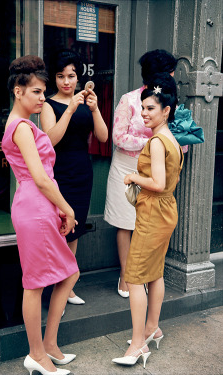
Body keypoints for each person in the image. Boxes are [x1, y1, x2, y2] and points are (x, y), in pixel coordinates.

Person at [2, 55, 80, 375]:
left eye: (42, 91)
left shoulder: (26, 125)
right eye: (35, 91)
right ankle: (37, 353)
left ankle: (48, 345)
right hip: (35, 207)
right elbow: (40, 178)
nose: (41, 97)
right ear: (18, 91)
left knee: (68, 273)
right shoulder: (20, 127)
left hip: (39, 206)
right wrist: (67, 208)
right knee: (35, 284)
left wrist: (57, 208)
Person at [112, 73, 184, 368]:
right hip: (166, 210)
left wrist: (132, 176)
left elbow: (156, 181)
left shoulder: (156, 142)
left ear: (166, 110)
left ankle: (139, 344)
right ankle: (152, 328)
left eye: (150, 108)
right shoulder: (172, 140)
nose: (144, 113)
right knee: (155, 272)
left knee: (135, 277)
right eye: (142, 108)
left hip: (154, 210)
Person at [104, 49, 184, 298]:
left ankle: (145, 274)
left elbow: (180, 141)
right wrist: (151, 142)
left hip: (155, 171)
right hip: (127, 168)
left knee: (147, 224)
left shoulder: (170, 102)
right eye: (170, 71)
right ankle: (126, 276)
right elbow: (117, 137)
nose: (173, 75)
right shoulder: (129, 100)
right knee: (126, 223)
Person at [40, 49, 108, 305]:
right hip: (58, 173)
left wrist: (96, 109)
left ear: (79, 76)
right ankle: (55, 286)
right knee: (58, 228)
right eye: (60, 76)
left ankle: (67, 286)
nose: (66, 82)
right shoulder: (48, 104)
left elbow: (102, 137)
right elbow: (50, 140)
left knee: (75, 230)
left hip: (82, 171)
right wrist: (69, 109)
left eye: (71, 76)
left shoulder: (86, 102)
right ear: (54, 78)